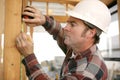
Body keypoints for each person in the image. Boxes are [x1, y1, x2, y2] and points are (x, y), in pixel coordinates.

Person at [15, 0, 111, 80]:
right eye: (67, 23)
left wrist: (29, 56)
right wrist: (44, 20)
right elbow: (59, 33)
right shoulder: (78, 49)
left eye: (72, 24)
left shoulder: (87, 72)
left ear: (90, 33)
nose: (65, 28)